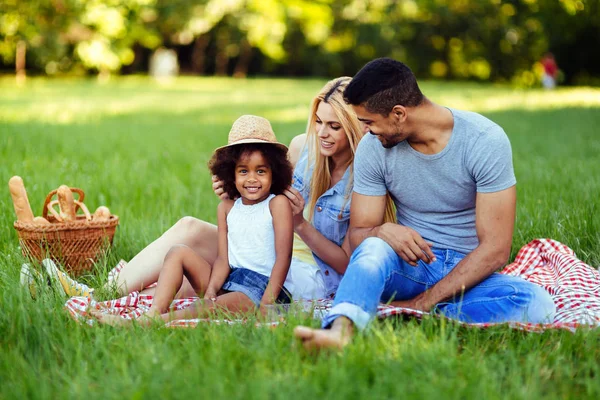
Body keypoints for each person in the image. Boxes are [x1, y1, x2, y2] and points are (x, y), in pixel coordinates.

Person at [25, 77, 378, 307]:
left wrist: (301, 225)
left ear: (353, 126)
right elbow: (263, 185)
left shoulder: (364, 177)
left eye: (334, 126)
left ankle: (93, 299)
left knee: (194, 285)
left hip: (306, 272)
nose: (324, 133)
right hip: (263, 244)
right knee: (190, 229)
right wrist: (234, 190)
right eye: (319, 122)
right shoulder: (304, 148)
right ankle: (99, 295)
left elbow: (348, 263)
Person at [294, 58, 557, 350]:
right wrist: (381, 232)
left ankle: (409, 313)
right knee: (372, 248)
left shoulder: (484, 141)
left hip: (465, 273)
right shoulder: (373, 148)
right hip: (408, 264)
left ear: (398, 114)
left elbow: (495, 250)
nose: (365, 131)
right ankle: (340, 331)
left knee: (537, 304)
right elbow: (359, 235)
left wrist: (423, 302)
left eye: (369, 122)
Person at [94, 115, 294, 325]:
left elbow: (284, 257)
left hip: (262, 288)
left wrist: (267, 303)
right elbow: (223, 261)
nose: (252, 178)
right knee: (177, 252)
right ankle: (154, 312)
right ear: (230, 174)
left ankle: (147, 323)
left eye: (261, 171)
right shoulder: (226, 208)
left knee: (203, 308)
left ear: (274, 172)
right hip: (231, 279)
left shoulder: (276, 204)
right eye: (243, 171)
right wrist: (211, 289)